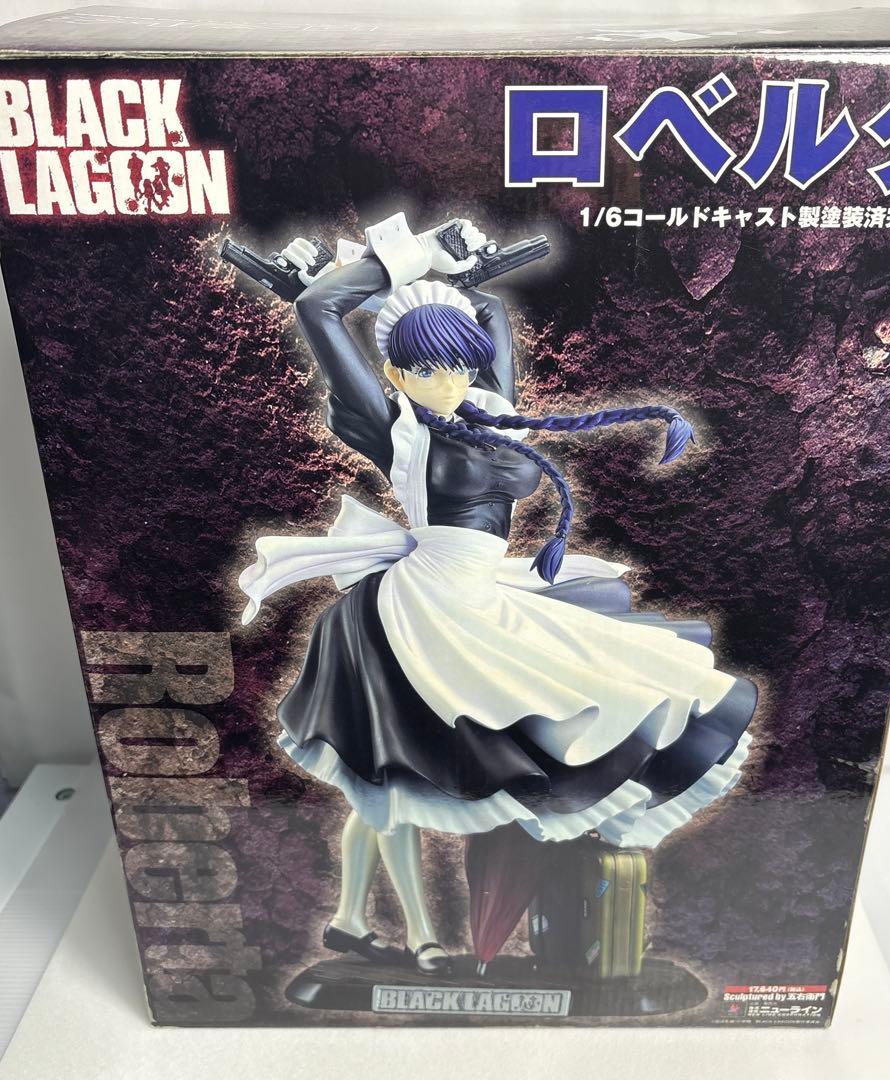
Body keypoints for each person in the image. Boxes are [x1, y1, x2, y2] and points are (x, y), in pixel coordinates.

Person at [238, 214, 757, 976]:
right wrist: (402, 260)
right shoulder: (395, 429)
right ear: (396, 376)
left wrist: (453, 278)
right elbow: (318, 309)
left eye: (460, 366)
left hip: (483, 594)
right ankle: (393, 927)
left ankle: (359, 917)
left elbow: (488, 315)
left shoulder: (490, 410)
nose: (449, 382)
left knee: (607, 692)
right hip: (418, 614)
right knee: (390, 777)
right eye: (426, 369)